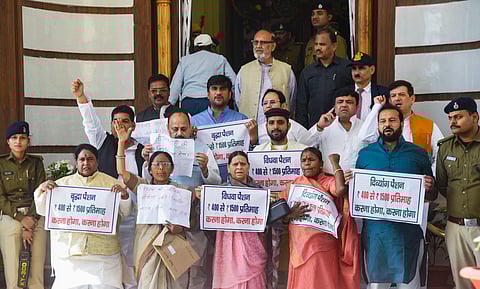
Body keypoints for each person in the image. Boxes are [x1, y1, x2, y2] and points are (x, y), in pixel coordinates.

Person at [353, 104, 437, 289]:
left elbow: (431, 194)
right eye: (382, 121)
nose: (387, 125)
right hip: (376, 234)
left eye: (392, 120)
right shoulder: (366, 154)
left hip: (406, 234)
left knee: (409, 284)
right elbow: (358, 191)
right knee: (376, 285)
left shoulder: (418, 153)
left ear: (400, 123)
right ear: (378, 125)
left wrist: (430, 187)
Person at [72, 78, 143, 289]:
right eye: (116, 122)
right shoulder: (102, 142)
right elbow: (90, 120)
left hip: (134, 215)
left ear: (133, 125)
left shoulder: (143, 150)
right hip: (105, 214)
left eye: (124, 121)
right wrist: (81, 96)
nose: (119, 125)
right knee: (108, 261)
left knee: (131, 262)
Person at [34, 144, 132, 289]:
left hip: (104, 254)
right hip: (71, 253)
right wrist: (42, 190)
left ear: (97, 161)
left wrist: (124, 195)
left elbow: (126, 211)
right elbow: (43, 210)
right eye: (82, 159)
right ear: (76, 162)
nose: (86, 163)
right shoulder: (61, 185)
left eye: (90, 159)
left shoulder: (112, 184)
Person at [142, 110, 221, 289]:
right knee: (168, 269)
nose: (179, 133)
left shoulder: (202, 148)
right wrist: (147, 162)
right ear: (168, 130)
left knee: (195, 269)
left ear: (191, 129)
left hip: (193, 219)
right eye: (175, 128)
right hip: (163, 220)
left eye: (183, 129)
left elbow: (216, 182)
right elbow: (146, 183)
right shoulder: (157, 148)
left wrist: (205, 169)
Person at [114, 122, 194, 289]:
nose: (161, 168)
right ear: (149, 169)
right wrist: (121, 143)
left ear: (172, 169)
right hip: (147, 246)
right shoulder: (143, 187)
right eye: (157, 164)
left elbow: (191, 221)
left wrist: (179, 229)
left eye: (165, 164)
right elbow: (122, 172)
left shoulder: (182, 191)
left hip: (172, 246)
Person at [280, 147, 359, 289]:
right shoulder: (294, 185)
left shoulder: (327, 181)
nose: (307, 163)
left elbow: (341, 190)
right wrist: (289, 215)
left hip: (323, 245)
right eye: (303, 160)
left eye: (311, 159)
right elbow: (278, 213)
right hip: (298, 246)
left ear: (321, 164)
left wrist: (335, 163)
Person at [197, 151, 267, 289]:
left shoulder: (260, 192)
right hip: (227, 248)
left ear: (248, 167)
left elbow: (268, 222)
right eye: (235, 164)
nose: (239, 167)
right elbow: (206, 219)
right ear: (228, 168)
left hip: (253, 248)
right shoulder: (219, 192)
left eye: (243, 164)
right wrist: (202, 200)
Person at [436, 97, 480, 289]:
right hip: (456, 227)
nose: (453, 121)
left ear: (475, 117)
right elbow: (443, 185)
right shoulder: (445, 147)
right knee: (462, 283)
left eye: (459, 116)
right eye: (450, 117)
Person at [358, 80, 443, 172]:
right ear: (390, 100)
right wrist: (377, 106)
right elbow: (364, 138)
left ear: (412, 99)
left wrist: (431, 176)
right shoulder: (385, 125)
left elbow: (441, 154)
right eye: (393, 96)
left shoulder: (428, 125)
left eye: (401, 95)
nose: (397, 99)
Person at [0, 121, 47, 289]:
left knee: (36, 268)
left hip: (35, 216)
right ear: (8, 141)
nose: (18, 141)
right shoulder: (1, 163)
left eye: (22, 138)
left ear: (29, 141)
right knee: (13, 269)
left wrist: (30, 222)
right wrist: (20, 219)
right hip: (10, 216)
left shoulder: (36, 163)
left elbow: (41, 193)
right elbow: (1, 197)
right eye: (14, 138)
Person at [191, 75, 258, 181]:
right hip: (203, 183)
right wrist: (190, 138)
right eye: (214, 89)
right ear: (208, 94)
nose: (218, 93)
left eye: (222, 89)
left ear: (230, 94)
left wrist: (254, 138)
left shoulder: (241, 120)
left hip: (236, 183)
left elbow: (251, 156)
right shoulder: (194, 122)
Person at [235, 29, 297, 123]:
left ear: (273, 46)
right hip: (250, 128)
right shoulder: (244, 70)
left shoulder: (286, 70)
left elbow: (291, 100)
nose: (258, 46)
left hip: (278, 129)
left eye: (263, 42)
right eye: (255, 42)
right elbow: (239, 100)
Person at [296, 27, 353, 129]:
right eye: (316, 44)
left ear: (334, 46)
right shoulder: (307, 72)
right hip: (315, 128)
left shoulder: (346, 68)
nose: (318, 48)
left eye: (322, 44)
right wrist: (304, 131)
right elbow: (301, 106)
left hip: (341, 127)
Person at [169, 34, 236, 116]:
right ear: (211, 46)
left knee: (190, 128)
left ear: (195, 47)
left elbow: (175, 86)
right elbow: (234, 83)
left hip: (188, 103)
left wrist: (169, 106)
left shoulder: (185, 60)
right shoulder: (220, 59)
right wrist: (236, 104)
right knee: (210, 128)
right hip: (209, 101)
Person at [311, 87, 363, 173]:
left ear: (357, 107)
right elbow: (303, 145)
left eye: (349, 102)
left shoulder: (364, 127)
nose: (344, 105)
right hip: (327, 181)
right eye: (340, 102)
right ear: (334, 107)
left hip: (356, 180)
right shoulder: (324, 126)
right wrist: (319, 127)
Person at [305, 0, 348, 66]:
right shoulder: (311, 41)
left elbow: (340, 68)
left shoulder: (336, 39)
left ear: (329, 17)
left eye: (319, 14)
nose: (314, 17)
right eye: (313, 14)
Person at [349, 52, 389, 121]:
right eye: (354, 69)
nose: (356, 73)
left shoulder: (383, 93)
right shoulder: (343, 93)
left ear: (372, 70)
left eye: (361, 68)